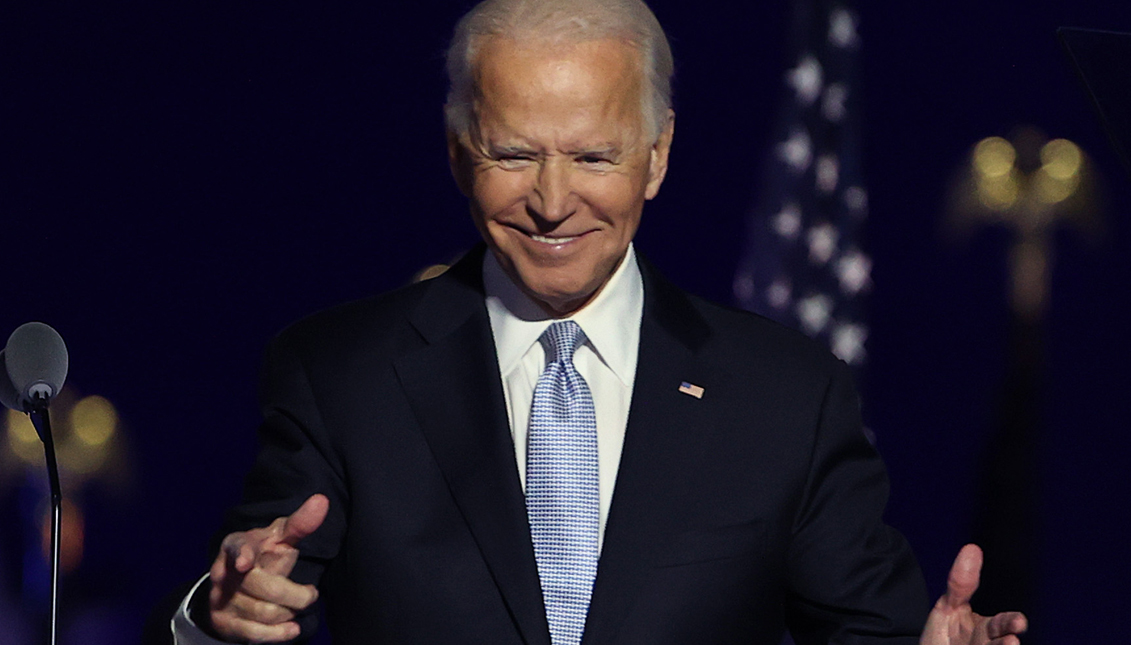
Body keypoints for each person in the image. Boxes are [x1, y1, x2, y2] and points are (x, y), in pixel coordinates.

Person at [170, 0, 1029, 643]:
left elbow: (864, 631)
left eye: (592, 155)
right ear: (458, 151)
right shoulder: (338, 372)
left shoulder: (785, 394)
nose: (551, 202)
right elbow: (249, 590)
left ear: (655, 156)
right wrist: (220, 616)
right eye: (513, 154)